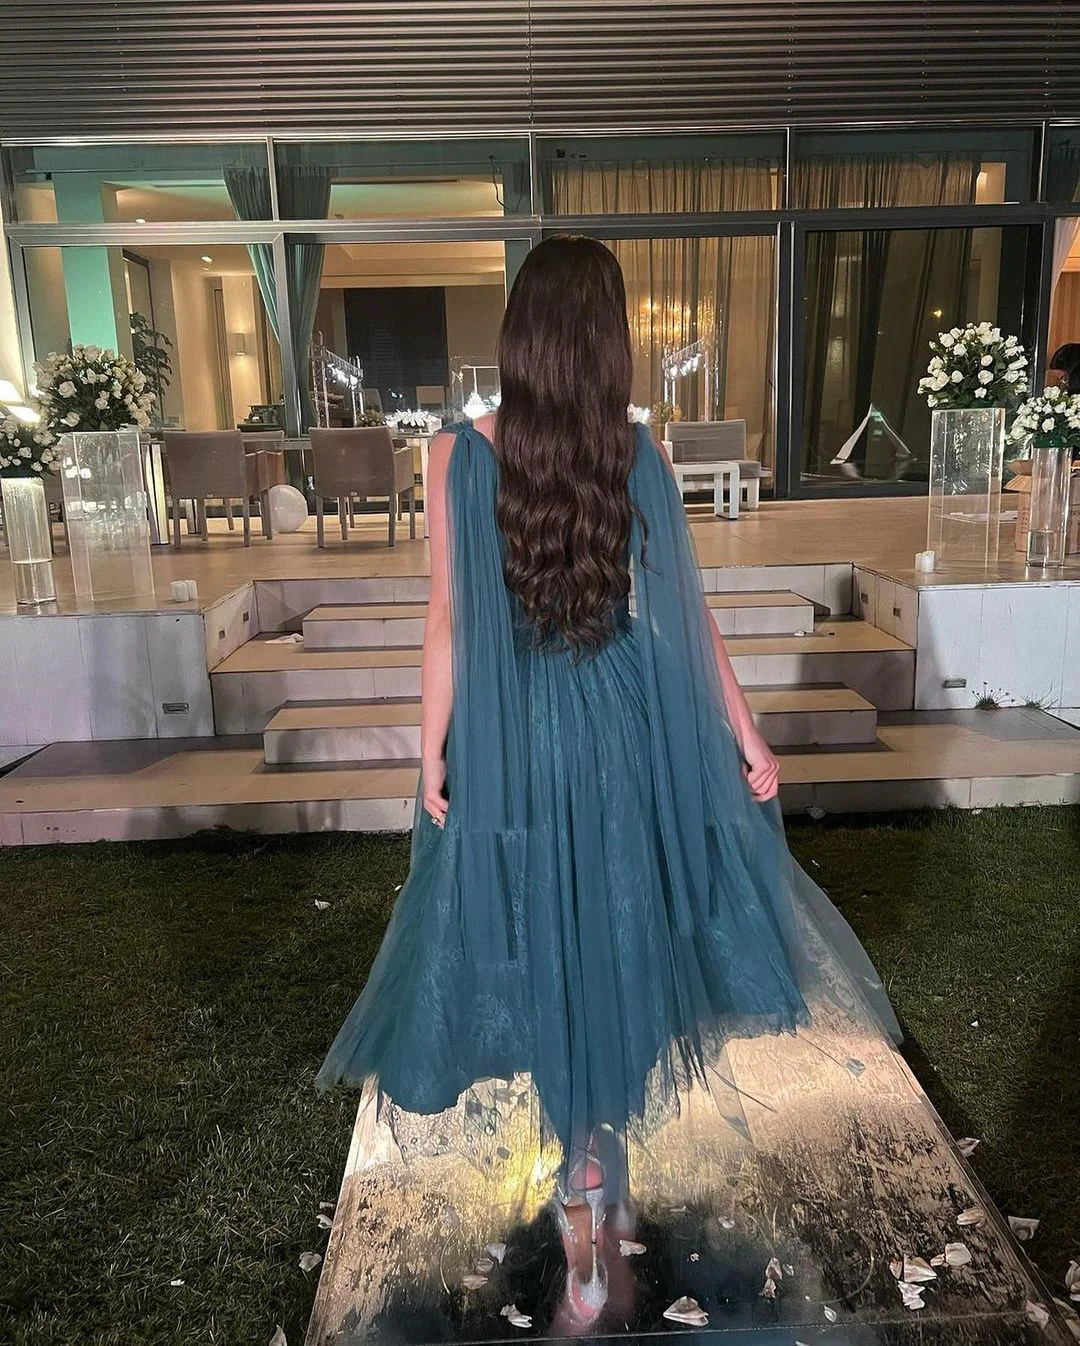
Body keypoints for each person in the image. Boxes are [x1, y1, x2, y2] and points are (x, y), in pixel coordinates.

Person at [315, 236, 899, 1324]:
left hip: (515, 731)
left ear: (523, 337)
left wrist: (430, 750)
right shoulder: (635, 451)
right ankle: (596, 1169)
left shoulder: (456, 454)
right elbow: (686, 613)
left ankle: (577, 1188)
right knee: (619, 926)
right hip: (621, 714)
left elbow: (447, 622)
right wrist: (745, 733)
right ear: (605, 341)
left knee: (539, 927)